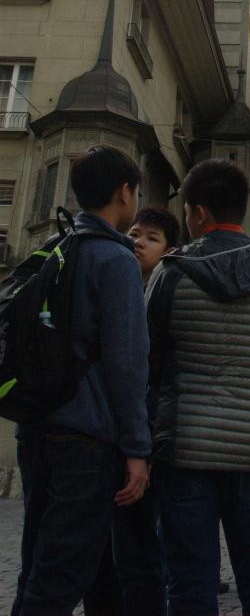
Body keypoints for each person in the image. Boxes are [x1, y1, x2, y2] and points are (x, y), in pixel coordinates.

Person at [146, 159, 250, 616]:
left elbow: (149, 361)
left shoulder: (170, 274)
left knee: (189, 583)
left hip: (183, 451)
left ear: (196, 214)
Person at [12, 145, 151, 616]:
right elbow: (127, 361)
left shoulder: (57, 248)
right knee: (63, 573)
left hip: (36, 426)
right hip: (87, 436)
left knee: (38, 562)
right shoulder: (116, 261)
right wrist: (136, 449)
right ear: (124, 193)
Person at [84, 206, 181, 616]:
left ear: (170, 251)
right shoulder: (111, 284)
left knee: (139, 544)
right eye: (136, 233)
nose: (138, 240)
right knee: (100, 551)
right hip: (105, 433)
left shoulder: (167, 298)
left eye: (152, 237)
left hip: (144, 434)